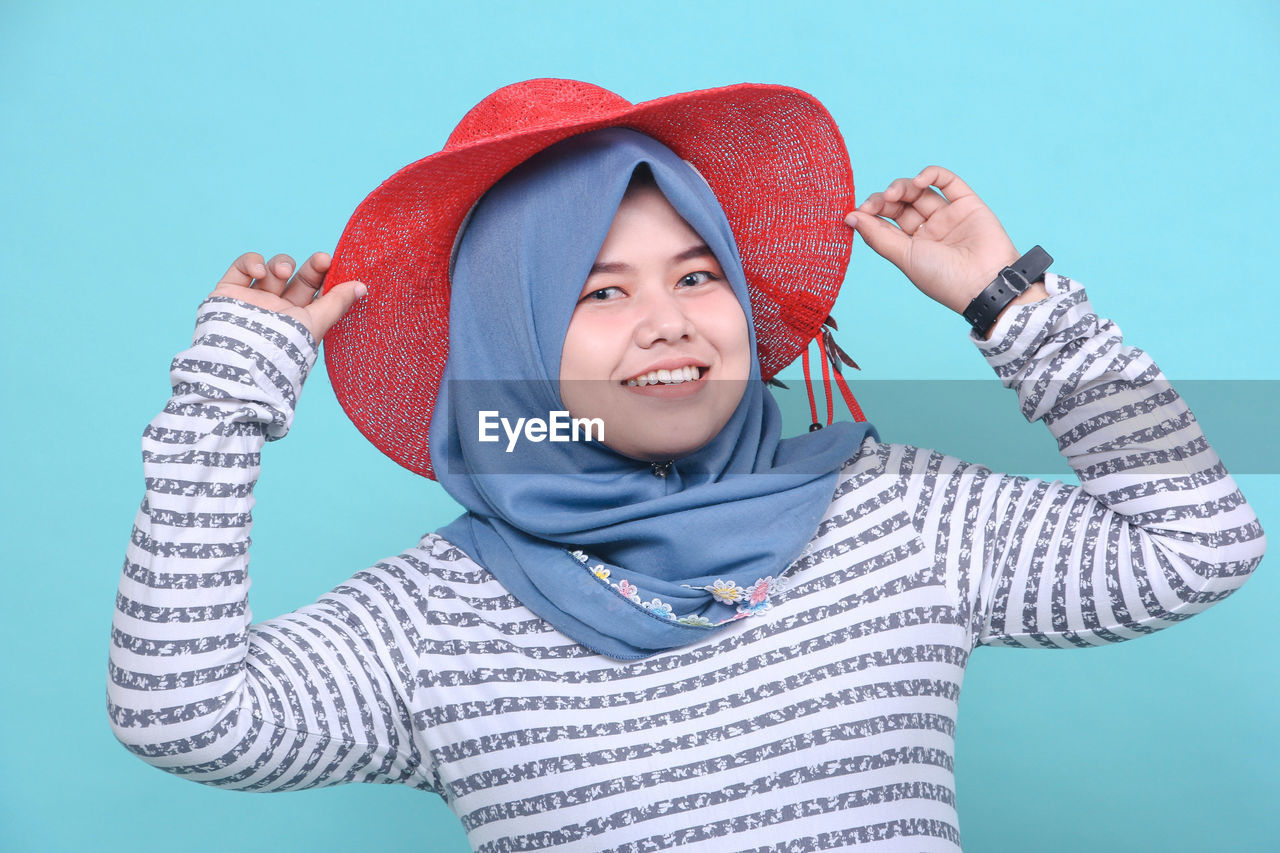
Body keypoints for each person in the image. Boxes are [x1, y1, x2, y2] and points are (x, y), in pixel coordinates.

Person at [108, 79, 1265, 851]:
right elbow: (183, 713)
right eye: (597, 291)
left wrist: (1011, 303)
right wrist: (221, 402)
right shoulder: (432, 621)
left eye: (694, 273)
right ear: (510, 340)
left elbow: (1194, 545)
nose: (666, 321)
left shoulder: (894, 516)